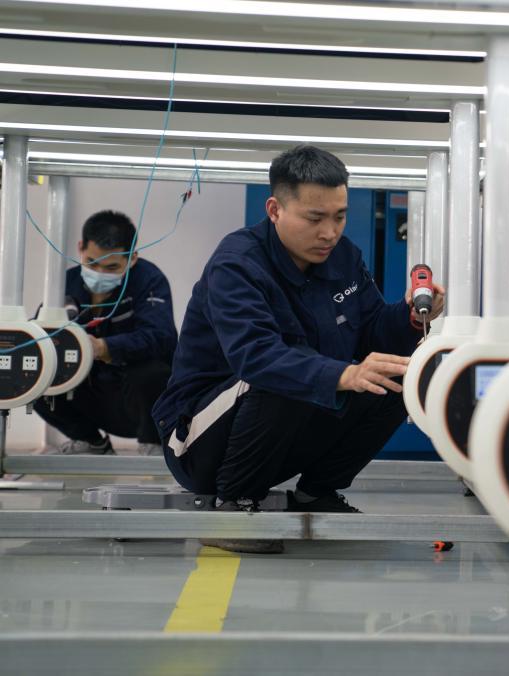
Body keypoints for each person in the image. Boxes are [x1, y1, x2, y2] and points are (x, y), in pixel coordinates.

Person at [152, 145, 444, 554]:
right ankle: (233, 506)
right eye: (314, 218)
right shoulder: (237, 264)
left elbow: (373, 331)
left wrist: (410, 317)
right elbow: (256, 357)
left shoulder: (343, 258)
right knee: (282, 375)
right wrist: (345, 374)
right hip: (199, 443)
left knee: (396, 380)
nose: (330, 232)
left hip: (281, 433)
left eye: (339, 216)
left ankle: (316, 493)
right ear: (275, 210)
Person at [34, 210, 177, 456]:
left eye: (112, 267)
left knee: (153, 373)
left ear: (132, 258)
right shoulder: (65, 284)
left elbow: (161, 337)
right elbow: (41, 333)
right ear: (80, 248)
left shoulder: (149, 280)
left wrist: (104, 347)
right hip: (89, 394)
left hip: (141, 401)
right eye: (92, 263)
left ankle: (153, 444)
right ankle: (91, 441)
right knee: (34, 377)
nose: (100, 273)